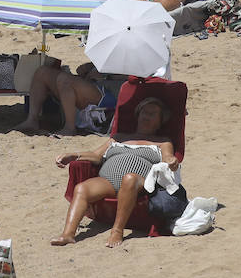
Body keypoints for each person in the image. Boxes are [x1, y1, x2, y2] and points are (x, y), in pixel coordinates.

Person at [53, 97, 178, 247]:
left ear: (160, 121)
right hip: (108, 180)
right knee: (82, 188)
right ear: (138, 115)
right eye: (144, 112)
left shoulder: (163, 142)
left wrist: (171, 161)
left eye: (152, 114)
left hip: (140, 182)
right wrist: (73, 155)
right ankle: (68, 234)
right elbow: (96, 155)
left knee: (129, 178)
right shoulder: (119, 138)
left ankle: (117, 231)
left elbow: (168, 158)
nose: (146, 116)